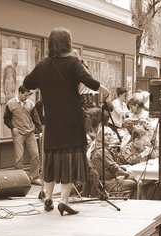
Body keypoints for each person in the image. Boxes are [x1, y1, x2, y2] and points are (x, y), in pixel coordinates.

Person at [23, 27, 110, 215]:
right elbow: (88, 80)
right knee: (70, 160)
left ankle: (47, 198)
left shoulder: (43, 65)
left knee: (52, 158)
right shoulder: (73, 62)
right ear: (67, 43)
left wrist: (46, 83)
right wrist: (105, 90)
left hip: (52, 121)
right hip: (71, 120)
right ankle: (63, 201)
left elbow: (27, 83)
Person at [4, 85, 42, 185]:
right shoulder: (11, 103)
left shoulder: (30, 104)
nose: (26, 97)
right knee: (19, 157)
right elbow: (6, 119)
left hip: (30, 133)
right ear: (20, 93)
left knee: (35, 155)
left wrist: (40, 130)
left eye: (28, 95)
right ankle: (19, 179)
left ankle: (34, 177)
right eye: (25, 95)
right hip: (18, 133)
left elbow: (35, 118)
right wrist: (12, 128)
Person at [90, 127, 137, 199]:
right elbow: (114, 168)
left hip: (107, 180)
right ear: (100, 137)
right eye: (106, 135)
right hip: (109, 183)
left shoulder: (99, 148)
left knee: (133, 177)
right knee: (137, 182)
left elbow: (112, 167)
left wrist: (123, 168)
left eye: (110, 134)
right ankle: (133, 202)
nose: (108, 136)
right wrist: (128, 173)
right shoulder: (102, 151)